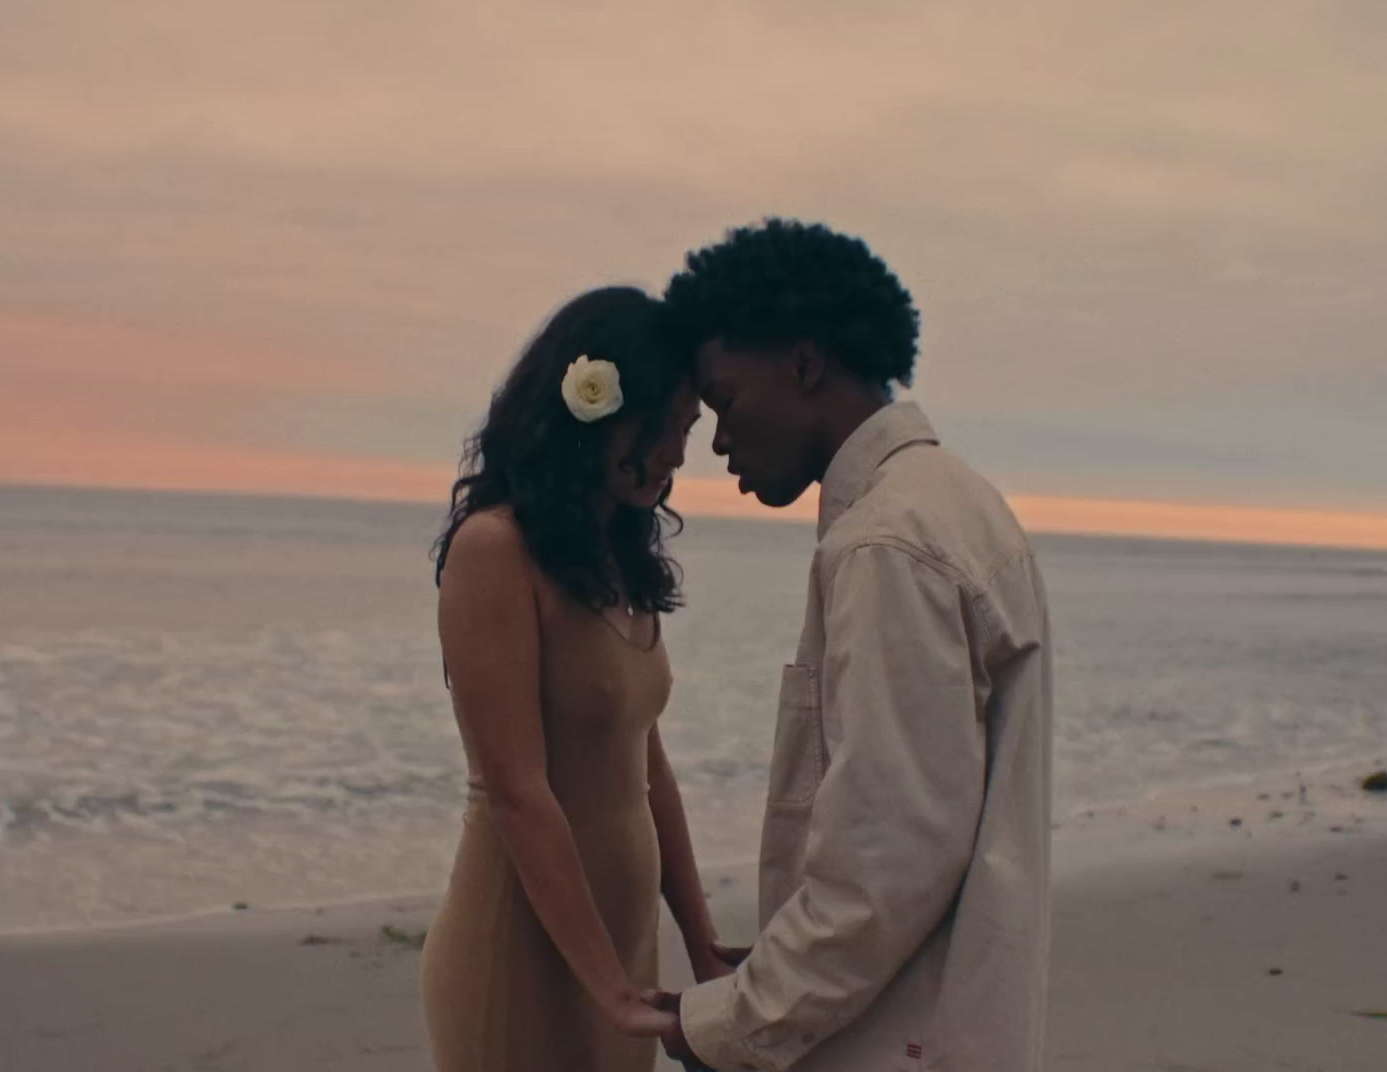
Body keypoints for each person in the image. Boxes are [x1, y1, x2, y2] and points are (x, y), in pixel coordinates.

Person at [649, 220, 1054, 1071]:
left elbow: (887, 862)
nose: (717, 442)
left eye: (724, 400)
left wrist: (727, 1026)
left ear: (804, 364)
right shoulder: (959, 504)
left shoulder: (886, 543)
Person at [422, 286, 728, 1071]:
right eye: (661, 426)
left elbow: (648, 773)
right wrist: (609, 991)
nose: (675, 452)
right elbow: (518, 789)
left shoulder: (619, 560)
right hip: (522, 949)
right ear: (590, 410)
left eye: (687, 428)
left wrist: (700, 945)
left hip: (621, 948)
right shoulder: (494, 550)